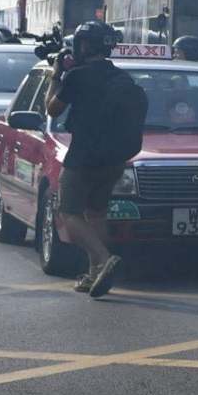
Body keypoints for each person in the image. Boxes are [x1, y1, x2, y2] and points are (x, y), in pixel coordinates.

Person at [44, 21, 146, 299]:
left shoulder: (77, 77)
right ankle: (93, 275)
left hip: (83, 158)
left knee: (69, 213)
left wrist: (56, 76)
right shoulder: (120, 77)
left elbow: (52, 109)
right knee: (96, 214)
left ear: (84, 45)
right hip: (114, 160)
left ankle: (104, 257)